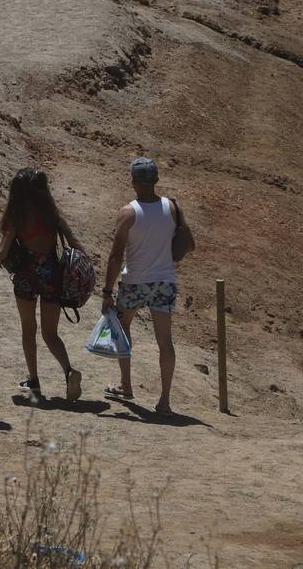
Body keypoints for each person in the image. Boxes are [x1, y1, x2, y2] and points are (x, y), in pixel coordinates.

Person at [100, 158, 194, 415]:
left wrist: (107, 291)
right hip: (164, 281)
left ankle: (126, 385)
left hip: (134, 282)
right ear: (156, 181)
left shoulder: (128, 212)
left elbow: (116, 255)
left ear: (133, 181)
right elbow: (188, 242)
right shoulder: (172, 207)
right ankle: (164, 401)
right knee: (165, 341)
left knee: (123, 329)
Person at [0, 168, 83, 402]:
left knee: (28, 329)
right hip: (52, 273)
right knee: (50, 333)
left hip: (27, 276)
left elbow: (2, 252)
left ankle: (33, 381)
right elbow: (75, 244)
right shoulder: (52, 214)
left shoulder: (18, 216)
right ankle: (69, 371)